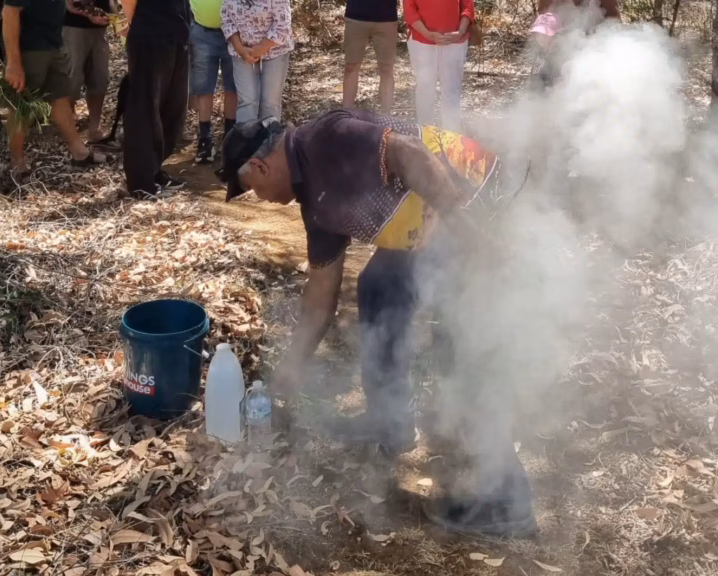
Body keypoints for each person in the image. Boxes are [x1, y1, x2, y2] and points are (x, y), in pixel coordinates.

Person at [216, 109, 537, 536]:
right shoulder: (313, 200)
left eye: (251, 189)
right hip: (433, 225)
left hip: (477, 200)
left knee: (463, 346)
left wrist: (471, 236)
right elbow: (319, 301)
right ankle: (391, 419)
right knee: (379, 286)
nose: (259, 198)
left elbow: (411, 154)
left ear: (259, 165)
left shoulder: (325, 140)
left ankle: (508, 501)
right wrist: (285, 382)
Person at [3, 0, 108, 176]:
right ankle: (17, 163)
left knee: (58, 98)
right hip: (30, 49)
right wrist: (13, 62)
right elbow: (9, 13)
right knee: (21, 106)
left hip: (53, 45)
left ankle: (79, 153)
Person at [119, 0, 192, 196]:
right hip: (149, 35)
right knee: (145, 109)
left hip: (177, 34)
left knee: (172, 107)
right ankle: (140, 182)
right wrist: (137, 23)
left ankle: (154, 169)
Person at [403, 0, 474, 131]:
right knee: (425, 89)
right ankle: (426, 136)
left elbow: (468, 6)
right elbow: (409, 9)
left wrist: (460, 32)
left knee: (451, 91)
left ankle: (451, 138)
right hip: (422, 42)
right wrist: (428, 34)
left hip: (454, 42)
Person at [221, 0, 293, 124]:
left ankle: (269, 141)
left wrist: (260, 49)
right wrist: (239, 48)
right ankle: (246, 141)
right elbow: (226, 19)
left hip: (275, 51)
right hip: (241, 51)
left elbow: (282, 26)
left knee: (270, 102)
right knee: (247, 101)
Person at [190, 0, 237, 164]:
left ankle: (230, 138)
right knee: (204, 87)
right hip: (202, 32)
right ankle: (205, 139)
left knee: (232, 87)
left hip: (233, 33)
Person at [63, 0, 116, 143]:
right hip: (73, 25)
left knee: (100, 77)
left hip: (100, 27)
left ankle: (94, 126)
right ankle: (69, 124)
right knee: (73, 77)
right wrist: (88, 13)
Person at [341, 0, 398, 113]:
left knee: (386, 69)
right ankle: (346, 115)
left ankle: (386, 118)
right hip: (355, 17)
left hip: (387, 19)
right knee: (351, 66)